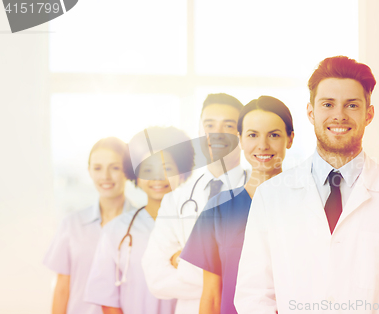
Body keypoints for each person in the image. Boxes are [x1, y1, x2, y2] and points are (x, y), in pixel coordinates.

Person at [234, 56, 379, 314]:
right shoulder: (271, 197)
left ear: (368, 114)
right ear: (311, 112)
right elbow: (254, 297)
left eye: (351, 105)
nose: (339, 115)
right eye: (328, 104)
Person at [180, 96, 294, 314]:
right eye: (252, 135)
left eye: (274, 135)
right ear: (240, 139)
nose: (263, 145)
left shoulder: (308, 206)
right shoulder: (218, 210)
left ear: (290, 139)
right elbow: (212, 296)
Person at [142, 93, 247, 314]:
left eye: (227, 125)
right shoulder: (175, 199)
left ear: (242, 134)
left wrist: (184, 261)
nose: (216, 133)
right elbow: (156, 277)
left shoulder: (258, 192)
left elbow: (265, 273)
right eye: (209, 125)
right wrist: (229, 276)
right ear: (200, 132)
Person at [84, 126, 195, 314]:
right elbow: (108, 300)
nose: (158, 177)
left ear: (182, 172)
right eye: (148, 169)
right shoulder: (115, 231)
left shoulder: (200, 225)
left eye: (167, 168)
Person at [44, 137, 137, 314]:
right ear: (89, 171)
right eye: (97, 168)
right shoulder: (71, 225)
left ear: (127, 171)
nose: (105, 176)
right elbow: (62, 288)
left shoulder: (143, 225)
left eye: (115, 167)